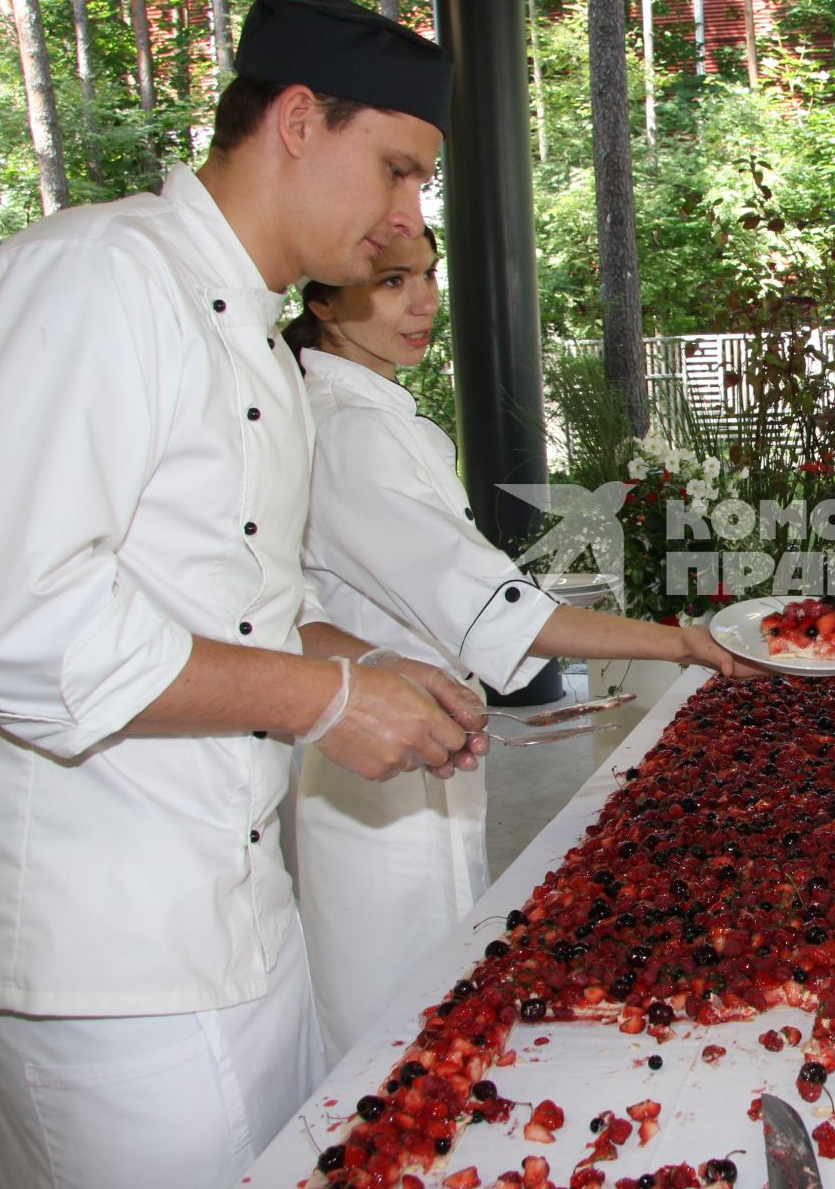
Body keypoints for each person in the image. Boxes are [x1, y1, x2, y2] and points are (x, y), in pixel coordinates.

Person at [0, 0, 489, 1188]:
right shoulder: (95, 274)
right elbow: (1, 622)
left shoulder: (261, 342)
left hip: (232, 907)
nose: (405, 221)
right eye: (395, 171)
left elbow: (244, 609)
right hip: (99, 942)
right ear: (295, 119)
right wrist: (327, 701)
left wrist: (366, 665)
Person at [284, 229, 738, 1059]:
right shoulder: (351, 432)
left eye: (427, 275)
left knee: (435, 991)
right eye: (390, 281)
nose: (423, 302)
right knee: (394, 1031)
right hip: (371, 771)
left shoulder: (373, 413)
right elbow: (501, 611)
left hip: (423, 739)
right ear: (321, 295)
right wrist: (687, 643)